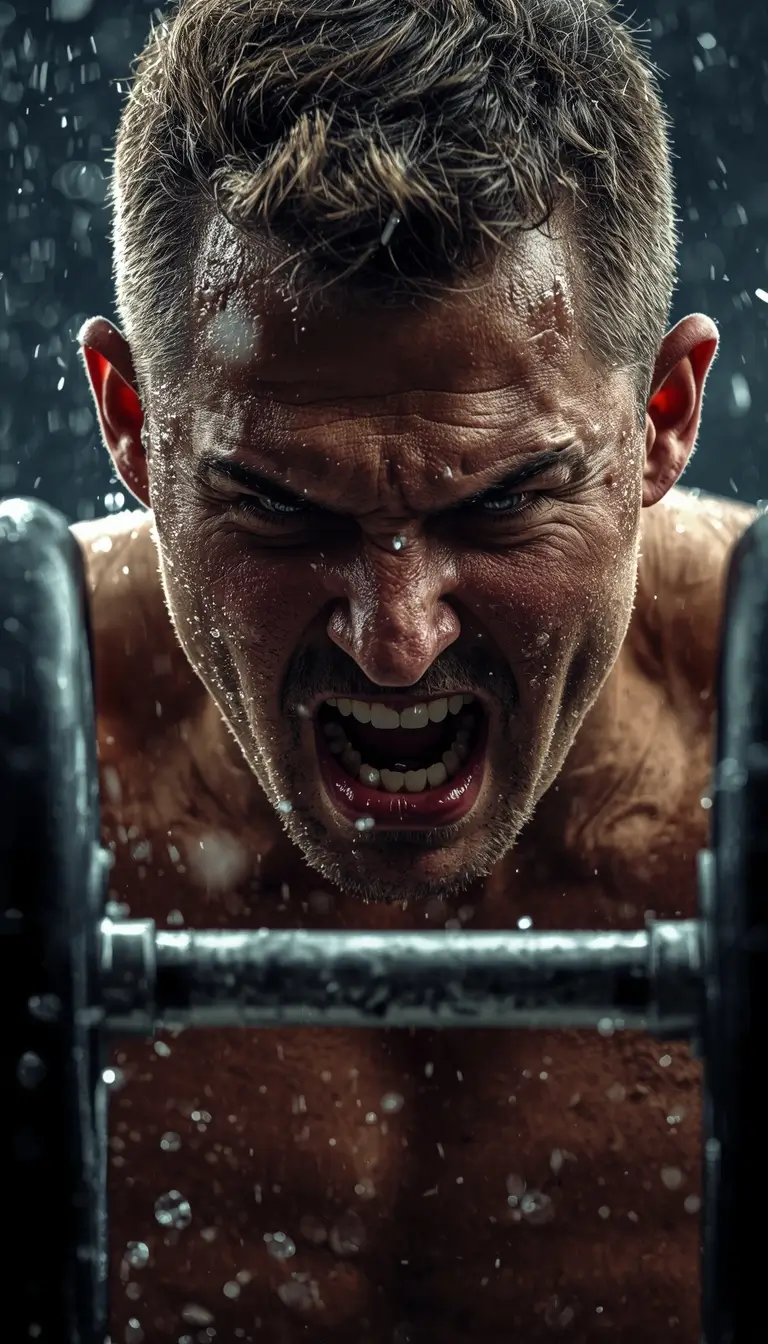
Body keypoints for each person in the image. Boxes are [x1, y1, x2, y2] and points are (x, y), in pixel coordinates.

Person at [71, 0, 754, 1339]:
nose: (396, 638)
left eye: (501, 504)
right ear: (131, 424)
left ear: (660, 421)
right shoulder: (41, 739)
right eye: (281, 505)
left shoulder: (745, 724)